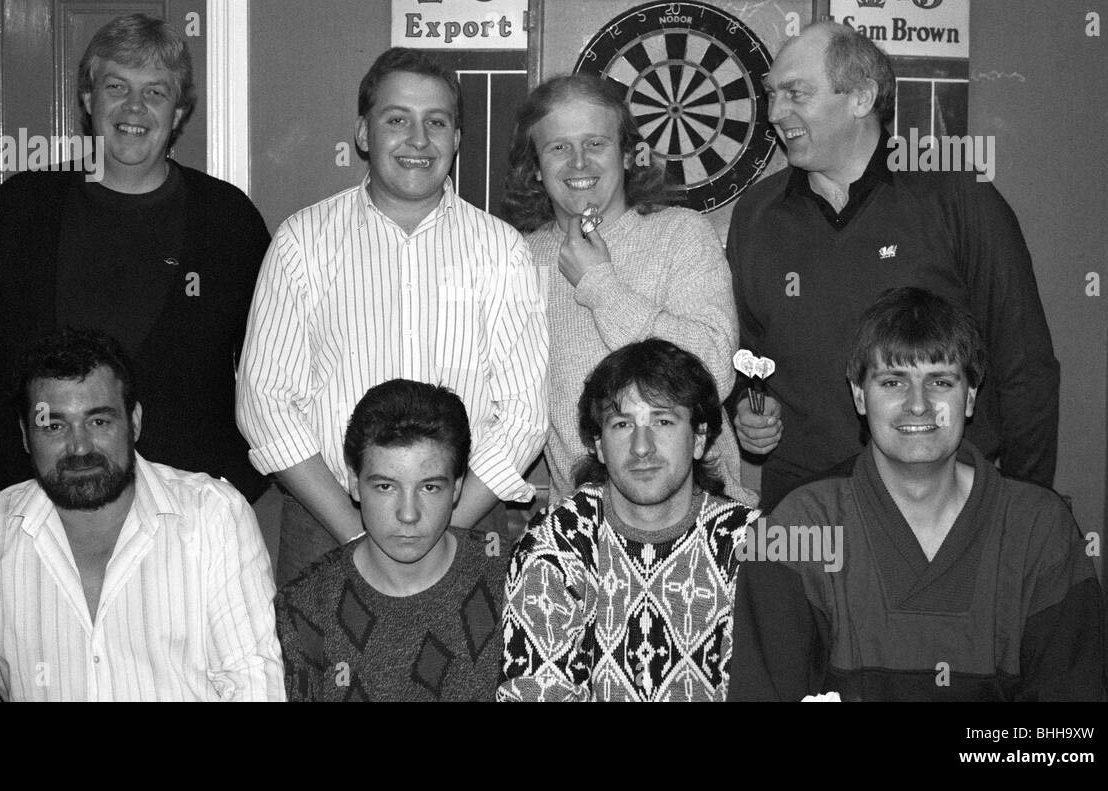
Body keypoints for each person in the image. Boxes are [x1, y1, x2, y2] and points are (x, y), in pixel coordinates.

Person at [0, 13, 271, 527]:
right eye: (117, 86)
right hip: (34, 514)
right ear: (89, 101)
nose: (135, 108)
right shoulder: (21, 211)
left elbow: (271, 371)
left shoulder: (227, 221)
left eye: (155, 92)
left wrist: (233, 494)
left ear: (179, 112)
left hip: (183, 525)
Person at [237, 47, 548, 585]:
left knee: (476, 673)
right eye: (397, 119)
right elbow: (264, 402)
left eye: (437, 122)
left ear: (456, 139)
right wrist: (355, 532)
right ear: (363, 133)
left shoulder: (502, 250)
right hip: (328, 521)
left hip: (466, 521)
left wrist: (444, 524)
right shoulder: (302, 243)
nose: (418, 140)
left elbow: (523, 414)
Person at [727, 20, 1059, 512]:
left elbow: (1024, 367)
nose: (776, 113)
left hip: (943, 502)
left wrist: (1030, 511)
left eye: (796, 93)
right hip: (806, 508)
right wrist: (747, 409)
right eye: (773, 95)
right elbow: (744, 355)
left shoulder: (959, 200)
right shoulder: (756, 214)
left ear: (861, 97)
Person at [729, 288, 1103, 701]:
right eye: (893, 381)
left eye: (940, 381)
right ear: (858, 394)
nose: (919, 406)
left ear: (971, 395)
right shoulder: (796, 529)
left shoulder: (1040, 531)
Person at [0, 329, 284, 701]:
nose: (80, 447)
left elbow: (255, 684)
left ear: (134, 422)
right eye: (54, 427)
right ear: (24, 435)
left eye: (99, 420)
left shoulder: (214, 517)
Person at [503, 74, 750, 508]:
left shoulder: (681, 234)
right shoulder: (519, 260)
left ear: (628, 154)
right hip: (585, 531)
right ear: (536, 168)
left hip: (705, 520)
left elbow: (715, 372)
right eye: (559, 147)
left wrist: (601, 285)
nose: (579, 163)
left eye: (595, 144)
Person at [500, 339, 760, 701]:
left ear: (699, 439)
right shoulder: (552, 546)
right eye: (622, 424)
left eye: (663, 420)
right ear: (600, 445)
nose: (642, 446)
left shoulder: (751, 542)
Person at [275, 379, 508, 701]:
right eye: (386, 487)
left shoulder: (513, 579)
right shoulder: (306, 608)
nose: (408, 514)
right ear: (355, 484)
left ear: (457, 488)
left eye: (430, 487)